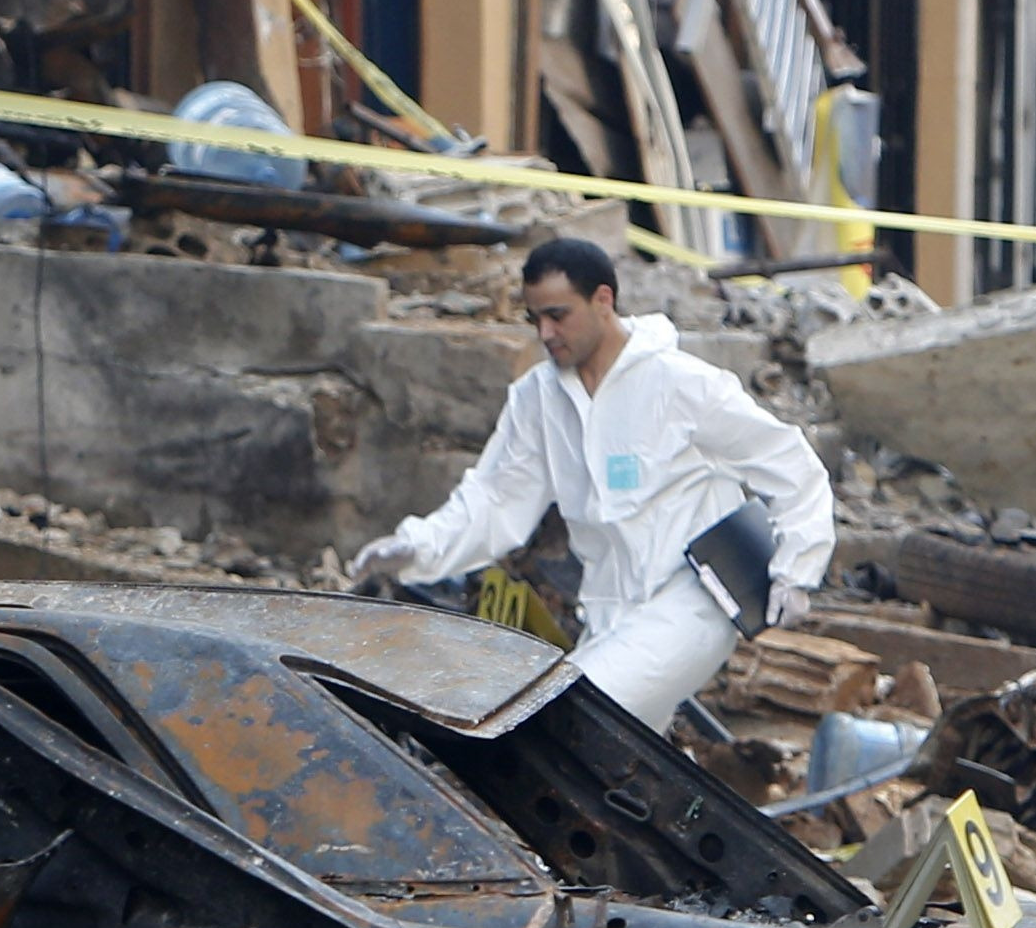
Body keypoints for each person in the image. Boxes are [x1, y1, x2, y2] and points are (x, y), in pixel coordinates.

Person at [348, 235, 836, 728]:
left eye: (558, 315)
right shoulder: (539, 399)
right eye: (535, 318)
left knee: (565, 720)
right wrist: (418, 548)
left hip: (692, 604)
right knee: (608, 758)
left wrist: (797, 568)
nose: (546, 333)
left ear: (603, 300)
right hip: (608, 616)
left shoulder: (680, 384)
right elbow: (496, 498)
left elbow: (790, 463)